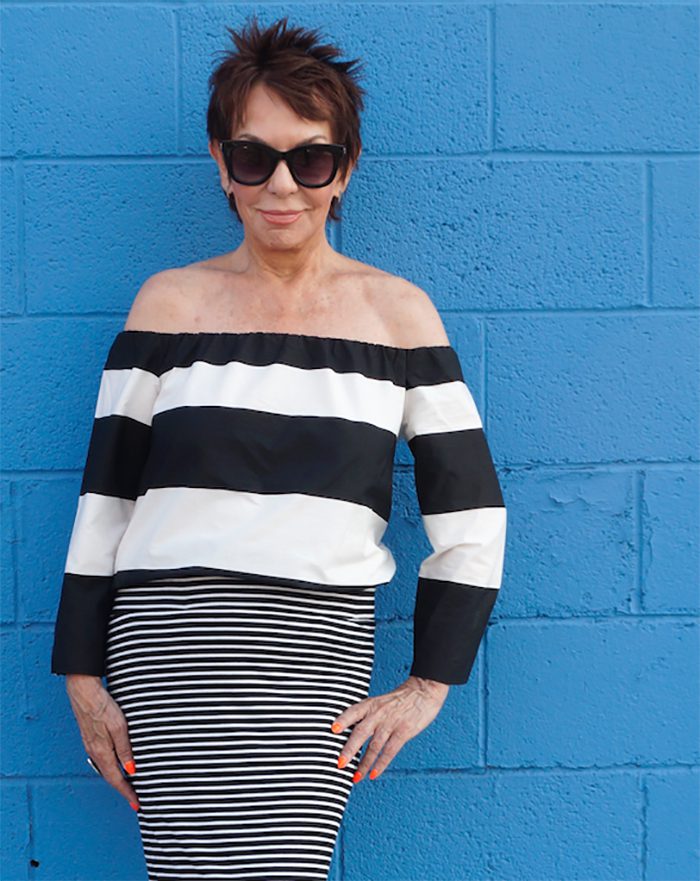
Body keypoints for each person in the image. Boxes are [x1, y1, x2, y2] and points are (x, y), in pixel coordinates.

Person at [50, 13, 507, 880]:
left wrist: (429, 685)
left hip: (311, 654)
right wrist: (82, 674)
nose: (282, 185)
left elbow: (473, 515)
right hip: (167, 647)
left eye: (312, 157)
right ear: (222, 165)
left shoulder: (397, 315)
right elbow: (106, 495)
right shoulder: (169, 305)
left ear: (347, 169)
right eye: (254, 156)